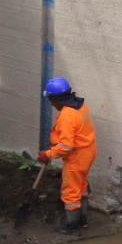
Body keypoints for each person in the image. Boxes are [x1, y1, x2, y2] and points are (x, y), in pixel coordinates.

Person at [38, 76, 96, 234]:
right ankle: (83, 221)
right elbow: (77, 132)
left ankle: (72, 227)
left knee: (71, 192)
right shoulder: (81, 106)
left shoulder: (66, 116)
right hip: (88, 152)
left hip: (76, 158)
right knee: (81, 186)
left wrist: (48, 154)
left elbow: (66, 146)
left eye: (51, 101)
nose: (52, 104)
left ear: (56, 99)